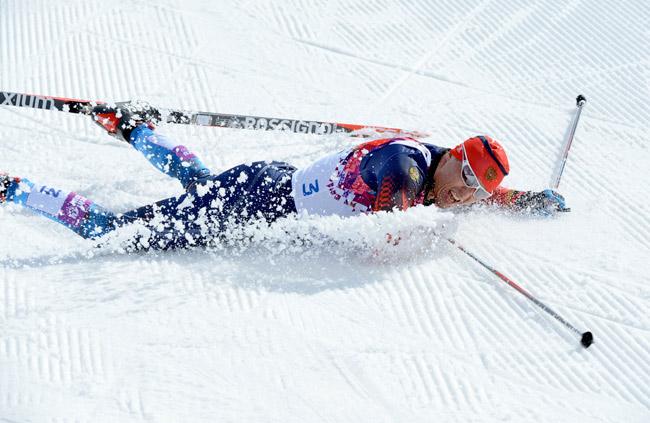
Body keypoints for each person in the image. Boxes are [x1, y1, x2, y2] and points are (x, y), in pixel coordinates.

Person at [0, 102, 567, 250]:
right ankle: (13, 186)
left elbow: (476, 197)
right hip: (256, 203)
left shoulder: (445, 172)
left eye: (475, 186)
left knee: (203, 182)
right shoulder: (404, 169)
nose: (464, 192)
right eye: (464, 175)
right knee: (114, 233)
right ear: (451, 157)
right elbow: (382, 238)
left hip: (267, 186)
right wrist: (426, 231)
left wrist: (529, 202)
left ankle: (136, 129)